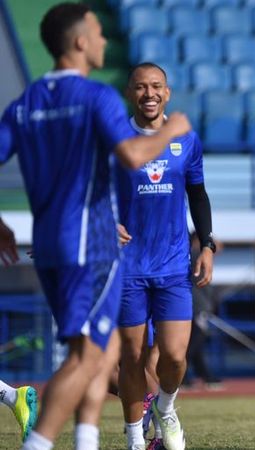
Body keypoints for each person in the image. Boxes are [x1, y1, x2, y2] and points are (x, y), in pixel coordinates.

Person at [0, 3, 190, 449]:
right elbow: (133, 155)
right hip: (94, 246)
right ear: (81, 41)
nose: (105, 41)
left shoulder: (24, 104)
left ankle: (89, 440)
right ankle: (39, 441)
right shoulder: (96, 97)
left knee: (96, 356)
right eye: (99, 33)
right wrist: (173, 129)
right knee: (90, 360)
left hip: (47, 246)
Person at [114, 62, 212, 450]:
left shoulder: (185, 138)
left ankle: (166, 408)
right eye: (140, 87)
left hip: (173, 265)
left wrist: (207, 245)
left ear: (167, 93)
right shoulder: (116, 138)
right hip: (126, 267)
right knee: (133, 358)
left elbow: (198, 195)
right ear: (129, 92)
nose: (149, 94)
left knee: (174, 356)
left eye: (156, 86)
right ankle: (135, 438)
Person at [184, 232, 222, 390]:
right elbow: (217, 247)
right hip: (197, 308)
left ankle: (205, 376)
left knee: (195, 346)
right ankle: (183, 377)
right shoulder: (194, 256)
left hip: (196, 307)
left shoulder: (192, 258)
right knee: (193, 344)